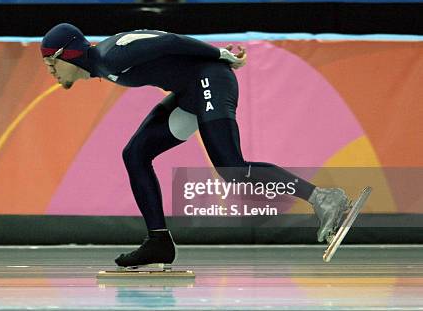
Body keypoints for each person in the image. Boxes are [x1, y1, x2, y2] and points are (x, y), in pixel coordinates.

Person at [40, 23, 350, 268]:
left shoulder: (111, 56)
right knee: (135, 154)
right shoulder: (104, 63)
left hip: (210, 79)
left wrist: (218, 55)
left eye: (51, 63)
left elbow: (169, 41)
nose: (51, 71)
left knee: (233, 169)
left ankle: (324, 198)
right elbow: (158, 42)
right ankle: (159, 242)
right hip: (189, 91)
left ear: (69, 55)